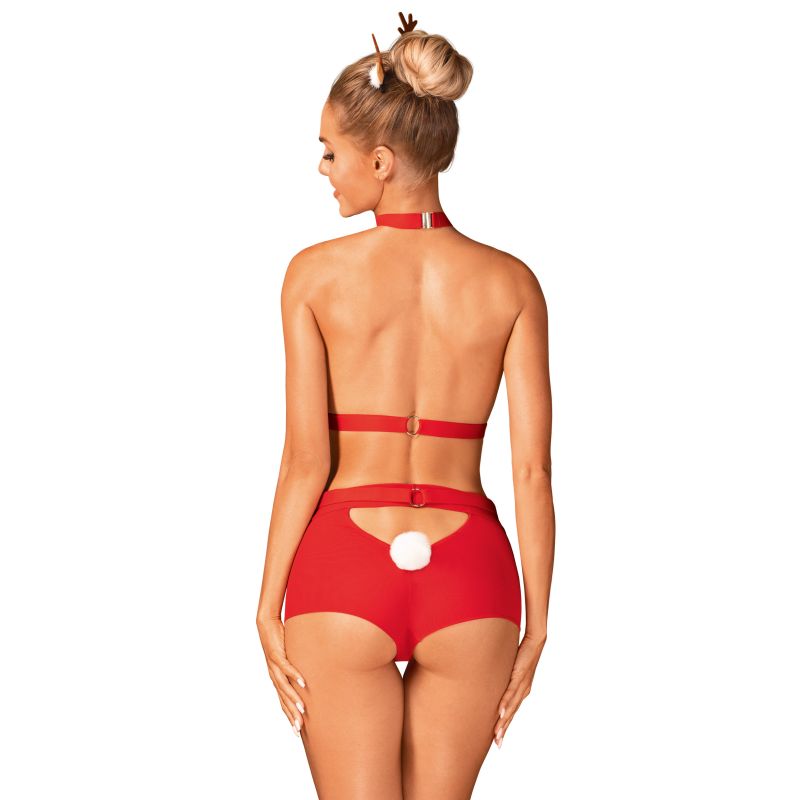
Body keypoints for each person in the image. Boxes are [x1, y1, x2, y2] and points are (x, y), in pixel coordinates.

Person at [256, 13, 555, 799]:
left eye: (331, 151)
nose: (323, 167)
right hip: (472, 576)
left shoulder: (312, 276)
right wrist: (538, 624)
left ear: (381, 162)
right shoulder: (513, 283)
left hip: (345, 566)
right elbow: (532, 472)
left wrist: (264, 605)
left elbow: (305, 462)